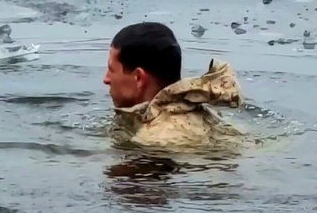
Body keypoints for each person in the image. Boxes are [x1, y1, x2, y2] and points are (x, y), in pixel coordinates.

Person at [103, 22, 245, 149]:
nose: (106, 79)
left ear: (139, 78)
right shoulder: (210, 117)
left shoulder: (154, 140)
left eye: (111, 69)